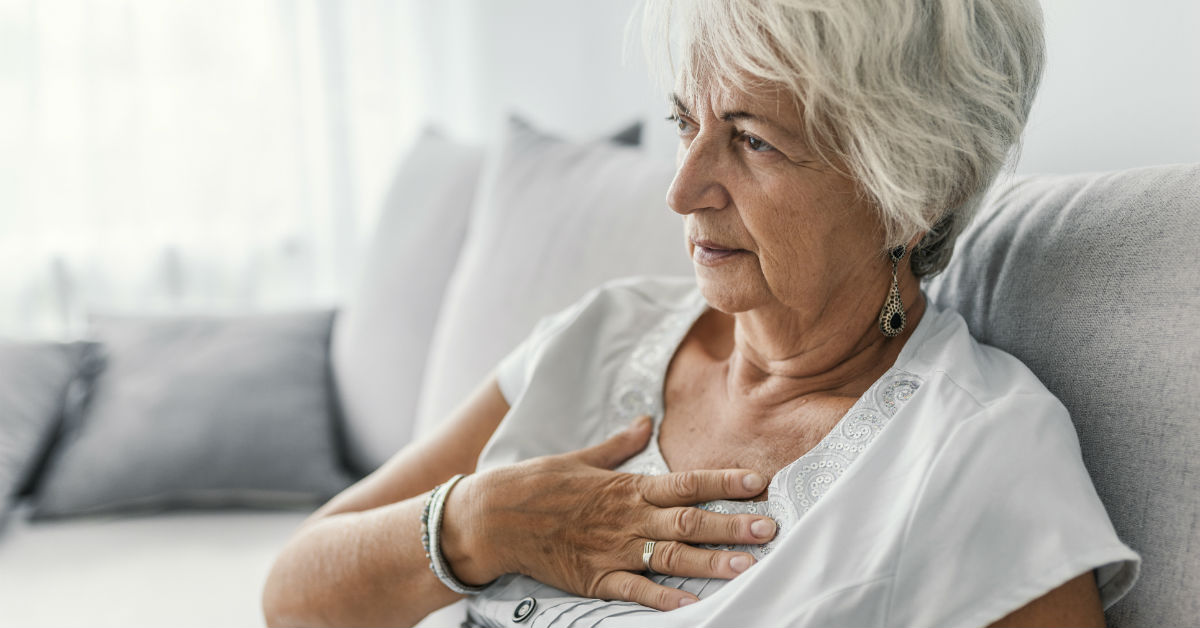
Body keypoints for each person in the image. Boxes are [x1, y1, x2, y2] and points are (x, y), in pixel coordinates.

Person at [262, 0, 1139, 626]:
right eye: (686, 122)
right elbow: (294, 596)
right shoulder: (601, 334)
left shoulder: (975, 451)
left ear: (913, 189)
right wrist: (480, 523)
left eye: (753, 140)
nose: (682, 190)